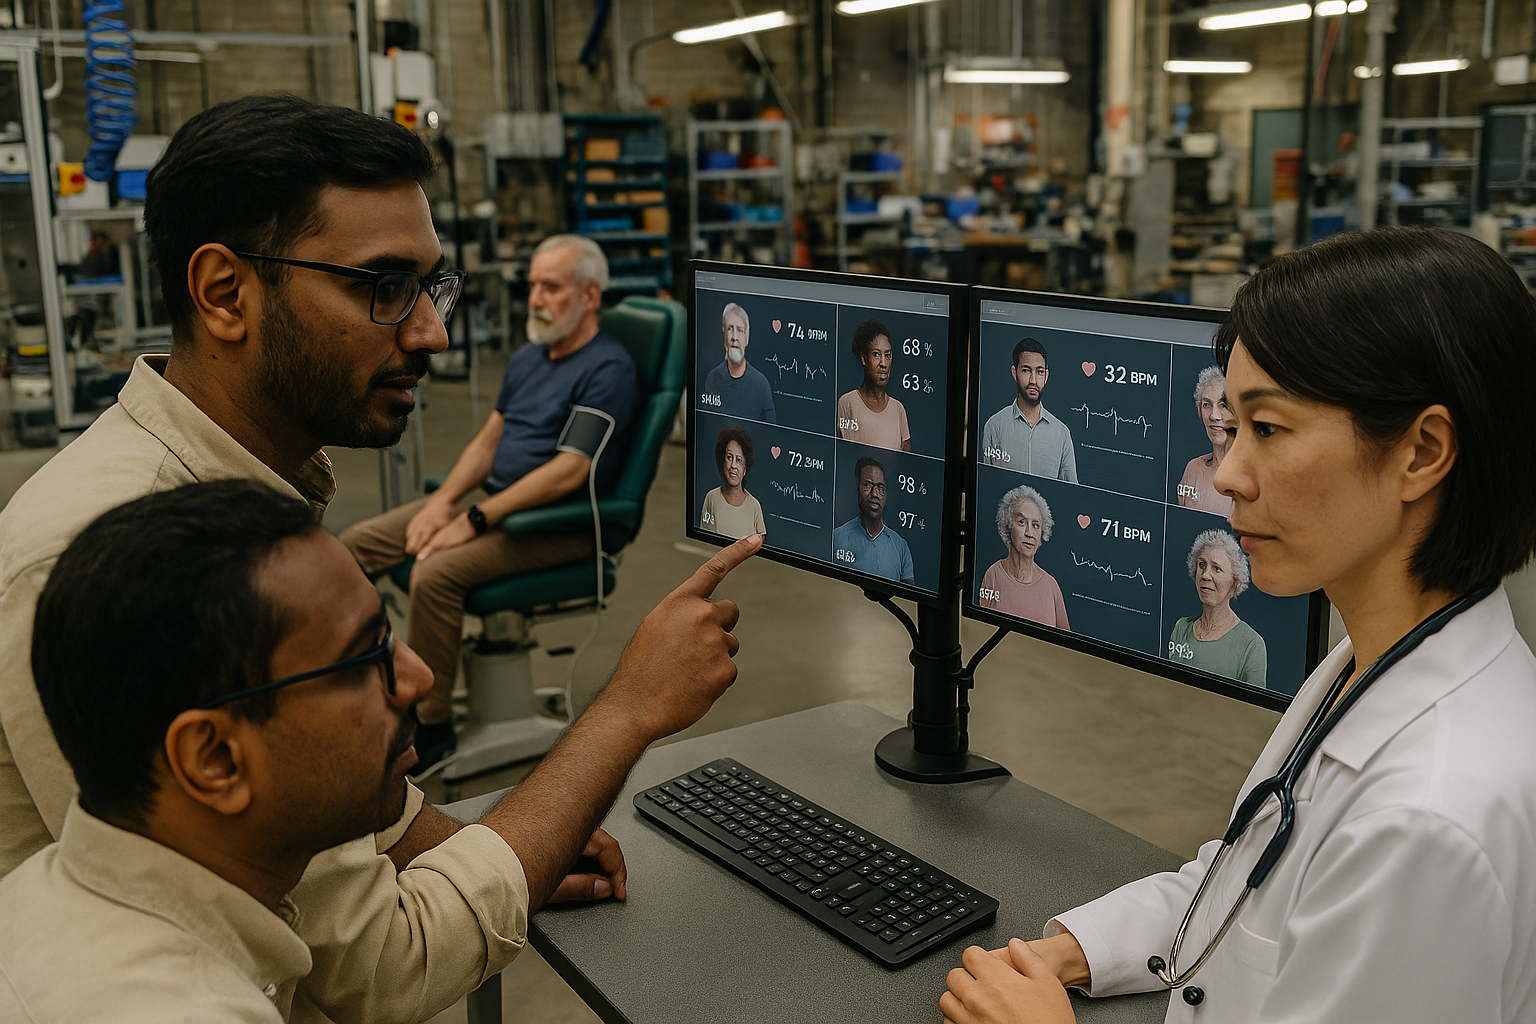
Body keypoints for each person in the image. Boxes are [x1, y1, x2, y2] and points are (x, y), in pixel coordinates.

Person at [0, 94, 729, 1024]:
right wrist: (623, 712)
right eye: (383, 286)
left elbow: (372, 830)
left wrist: (492, 843)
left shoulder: (252, 492)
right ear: (225, 293)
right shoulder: (104, 552)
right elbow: (377, 969)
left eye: (433, 286)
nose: (429, 332)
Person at [942, 227, 1536, 1024]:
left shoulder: (1427, 824)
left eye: (1269, 428)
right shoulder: (1371, 661)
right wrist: (1073, 951)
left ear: (1422, 451)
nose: (1225, 473)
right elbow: (1248, 880)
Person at [0, 481, 757, 1022]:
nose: (421, 675)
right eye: (363, 658)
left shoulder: (45, 899)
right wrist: (624, 708)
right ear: (215, 761)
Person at [339, 234, 638, 769]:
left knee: (435, 574)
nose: (536, 299)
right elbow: (489, 440)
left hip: (557, 526)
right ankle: (366, 684)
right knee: (357, 545)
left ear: (590, 296)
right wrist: (444, 502)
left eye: (552, 287)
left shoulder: (607, 369)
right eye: (533, 286)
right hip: (502, 508)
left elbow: (570, 470)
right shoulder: (530, 358)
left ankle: (430, 726)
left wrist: (474, 519)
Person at [1166, 530, 1265, 687]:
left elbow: (1254, 709)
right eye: (1202, 565)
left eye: (1216, 568)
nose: (1205, 575)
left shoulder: (1251, 644)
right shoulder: (1181, 628)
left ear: (1236, 581)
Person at [981, 337, 1077, 482]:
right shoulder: (994, 426)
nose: (1033, 380)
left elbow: (1071, 493)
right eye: (1026, 370)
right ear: (1015, 373)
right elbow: (986, 483)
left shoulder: (1062, 434)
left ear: (1046, 376)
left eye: (1039, 372)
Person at [979, 485, 1069, 630]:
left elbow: (1066, 645)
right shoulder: (993, 575)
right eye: (1022, 522)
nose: (1029, 533)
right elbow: (982, 630)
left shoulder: (1051, 586)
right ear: (1008, 526)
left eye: (1036, 525)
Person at [831, 457, 915, 585]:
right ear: (857, 489)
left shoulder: (901, 546)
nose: (875, 493)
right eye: (868, 485)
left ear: (886, 496)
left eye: (880, 487)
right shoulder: (837, 536)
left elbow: (910, 596)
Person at [837, 319, 911, 451]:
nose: (883, 363)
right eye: (876, 354)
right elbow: (843, 455)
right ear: (864, 358)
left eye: (887, 355)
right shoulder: (847, 403)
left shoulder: (898, 409)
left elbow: (905, 462)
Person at [701, 302, 776, 422]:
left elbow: (770, 431)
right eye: (730, 329)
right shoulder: (712, 379)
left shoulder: (761, 384)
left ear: (747, 337)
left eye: (740, 330)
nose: (734, 337)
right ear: (723, 334)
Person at [1176, 366, 1235, 516]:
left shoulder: (1258, 475)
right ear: (1199, 411)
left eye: (1223, 405)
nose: (1214, 416)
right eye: (1207, 405)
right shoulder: (1193, 469)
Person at [700, 425, 766, 539]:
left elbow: (760, 540)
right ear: (723, 461)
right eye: (729, 457)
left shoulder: (754, 506)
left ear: (745, 469)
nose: (733, 466)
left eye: (739, 460)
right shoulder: (711, 498)